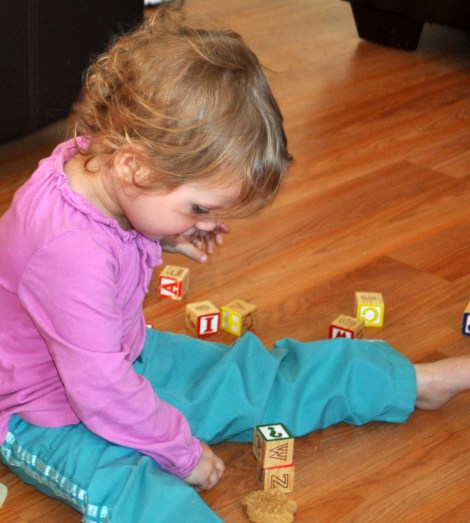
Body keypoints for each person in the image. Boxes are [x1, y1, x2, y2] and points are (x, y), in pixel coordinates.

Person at [0, 3, 468, 522]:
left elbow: (107, 245)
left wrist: (167, 234)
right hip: (44, 413)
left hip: (126, 359)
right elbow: (99, 387)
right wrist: (180, 449)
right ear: (135, 167)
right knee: (142, 496)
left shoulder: (101, 164)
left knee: (251, 376)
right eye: (198, 208)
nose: (203, 222)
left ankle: (407, 383)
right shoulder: (67, 247)